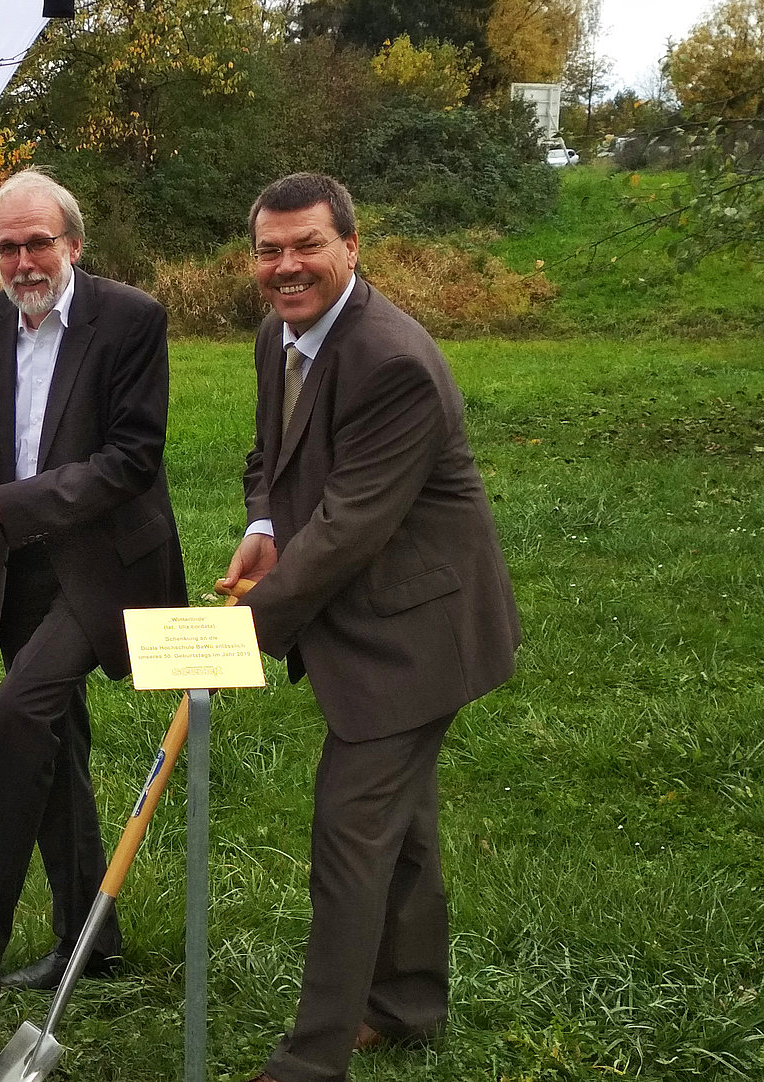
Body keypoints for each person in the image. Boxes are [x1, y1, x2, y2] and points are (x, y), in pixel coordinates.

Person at [222, 172, 519, 1082]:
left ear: (352, 247)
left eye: (308, 244)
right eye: (271, 250)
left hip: (416, 632)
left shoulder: (391, 359)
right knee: (405, 827)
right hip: (375, 609)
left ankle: (312, 1059)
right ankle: (409, 1003)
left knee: (352, 831)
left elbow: (352, 525)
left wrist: (243, 632)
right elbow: (271, 458)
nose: (287, 266)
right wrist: (266, 527)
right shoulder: (283, 334)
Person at [0, 168, 188, 1005]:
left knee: (18, 715)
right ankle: (90, 936)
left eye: (38, 242)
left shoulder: (130, 319)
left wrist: (4, 500)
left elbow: (131, 459)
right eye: (7, 246)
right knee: (52, 746)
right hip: (19, 564)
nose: (23, 261)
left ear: (72, 243)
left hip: (106, 567)